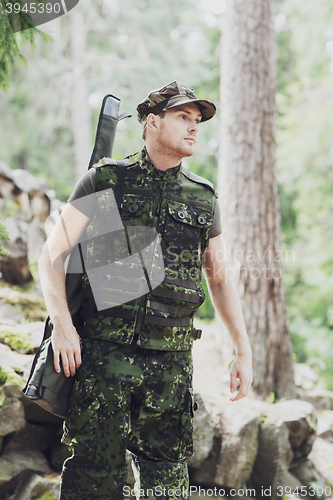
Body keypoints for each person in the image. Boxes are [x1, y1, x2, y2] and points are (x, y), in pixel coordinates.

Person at [38, 81, 253, 500]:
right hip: (103, 357)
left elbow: (220, 278)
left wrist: (242, 349)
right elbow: (52, 256)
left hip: (170, 366)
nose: (194, 128)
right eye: (183, 118)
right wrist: (62, 326)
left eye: (198, 121)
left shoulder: (203, 197)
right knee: (93, 479)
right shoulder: (105, 180)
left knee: (168, 484)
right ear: (153, 123)